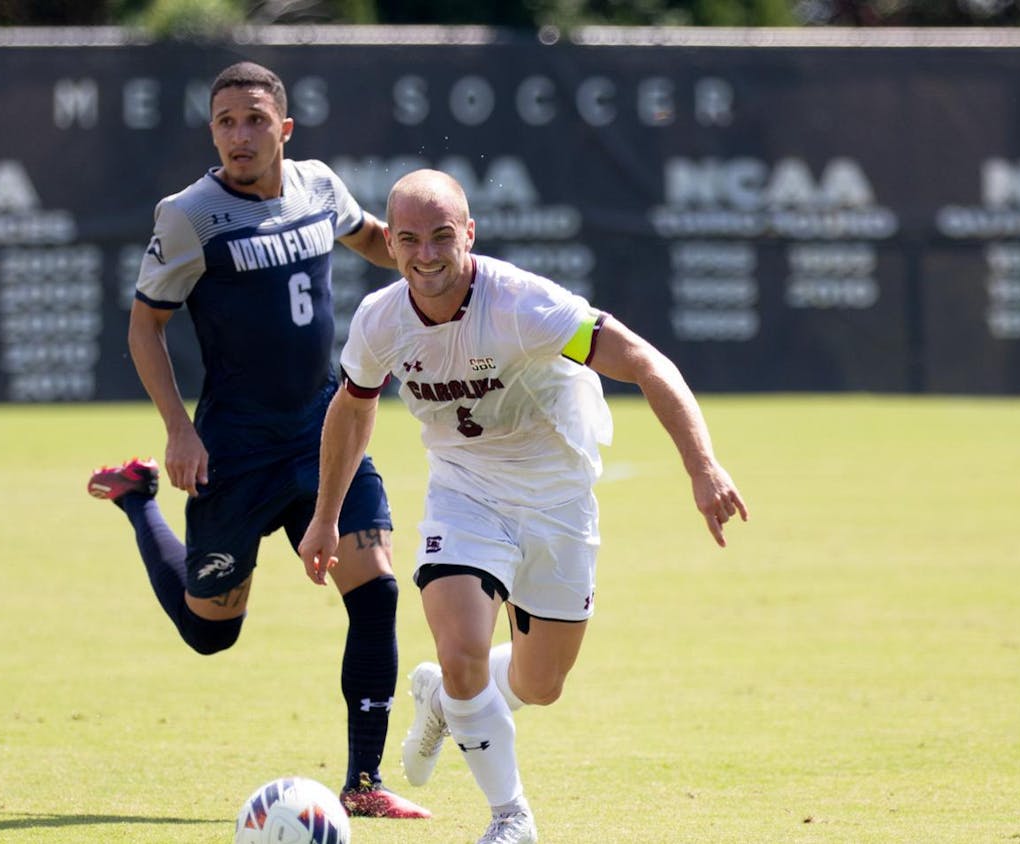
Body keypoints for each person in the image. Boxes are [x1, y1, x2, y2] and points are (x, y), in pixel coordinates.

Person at [296, 169, 749, 844]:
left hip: (558, 497)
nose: (427, 255)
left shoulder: (523, 306)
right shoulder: (380, 322)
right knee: (463, 648)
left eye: (443, 236)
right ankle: (511, 817)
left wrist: (702, 464)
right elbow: (352, 411)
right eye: (411, 240)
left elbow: (647, 364)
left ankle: (444, 700)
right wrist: (326, 514)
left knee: (542, 684)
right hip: (464, 492)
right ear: (390, 245)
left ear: (469, 234)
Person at [86, 62, 429, 820]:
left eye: (253, 119)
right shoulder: (188, 214)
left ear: (285, 128)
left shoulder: (317, 185)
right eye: (224, 122)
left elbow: (372, 238)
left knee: (375, 594)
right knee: (213, 635)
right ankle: (137, 499)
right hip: (235, 446)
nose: (239, 136)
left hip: (323, 427)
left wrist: (426, 258)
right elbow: (146, 325)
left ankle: (363, 785)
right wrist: (179, 431)